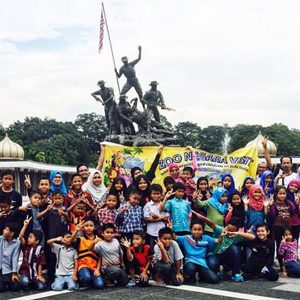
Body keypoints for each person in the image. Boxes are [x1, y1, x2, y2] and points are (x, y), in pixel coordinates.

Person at [71, 217, 104, 289]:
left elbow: (100, 257)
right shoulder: (81, 239)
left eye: (91, 225)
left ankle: (91, 279)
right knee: (86, 277)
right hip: (83, 265)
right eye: (86, 226)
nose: (89, 228)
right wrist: (76, 231)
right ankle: (82, 278)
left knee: (100, 285)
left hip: (94, 267)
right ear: (83, 228)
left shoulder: (99, 239)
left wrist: (98, 269)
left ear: (94, 227)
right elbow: (71, 241)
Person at [268, 186, 295, 270]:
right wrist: (271, 205)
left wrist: (296, 203)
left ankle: (289, 262)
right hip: (277, 227)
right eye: (280, 193)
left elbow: (293, 211)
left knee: (289, 244)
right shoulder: (274, 204)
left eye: (284, 193)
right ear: (276, 194)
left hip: (287, 227)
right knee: (280, 245)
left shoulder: (288, 203)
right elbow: (272, 215)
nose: (282, 195)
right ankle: (281, 265)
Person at [18, 216, 46, 291]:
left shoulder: (40, 249)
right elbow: (20, 237)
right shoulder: (26, 247)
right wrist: (25, 226)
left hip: (35, 273)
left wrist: (40, 275)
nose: (28, 239)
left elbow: (40, 263)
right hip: (25, 272)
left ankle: (32, 283)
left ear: (36, 241)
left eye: (30, 237)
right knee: (24, 282)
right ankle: (28, 282)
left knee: (41, 287)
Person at [143, 184, 169, 251]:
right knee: (152, 250)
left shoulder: (163, 204)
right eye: (154, 194)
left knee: (163, 250)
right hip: (151, 232)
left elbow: (167, 218)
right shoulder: (148, 205)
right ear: (150, 195)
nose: (156, 195)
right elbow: (146, 218)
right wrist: (160, 218)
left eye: (158, 194)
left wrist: (156, 217)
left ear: (161, 194)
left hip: (162, 233)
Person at [0, 222, 21, 292]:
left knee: (16, 287)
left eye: (6, 229)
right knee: (1, 288)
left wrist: (14, 273)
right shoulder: (1, 239)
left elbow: (15, 258)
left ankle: (4, 282)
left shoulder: (17, 243)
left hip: (8, 270)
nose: (3, 230)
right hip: (0, 269)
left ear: (12, 233)